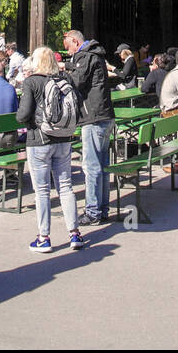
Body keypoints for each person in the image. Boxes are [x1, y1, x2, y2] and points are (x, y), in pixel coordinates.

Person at [17, 45, 86, 254]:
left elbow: (23, 114)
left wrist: (22, 119)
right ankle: (74, 233)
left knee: (42, 191)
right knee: (65, 186)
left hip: (39, 140)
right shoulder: (66, 80)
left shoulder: (32, 82)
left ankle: (44, 237)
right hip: (64, 138)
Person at [63, 29, 114, 225]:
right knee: (102, 165)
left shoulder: (84, 57)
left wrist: (60, 75)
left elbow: (76, 82)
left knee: (91, 166)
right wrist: (68, 64)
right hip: (105, 114)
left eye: (68, 47)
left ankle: (92, 211)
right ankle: (102, 208)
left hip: (93, 117)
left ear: (75, 42)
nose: (68, 51)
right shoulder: (95, 55)